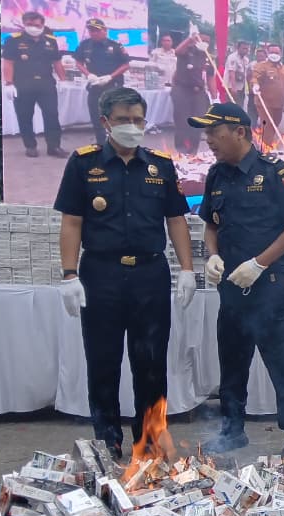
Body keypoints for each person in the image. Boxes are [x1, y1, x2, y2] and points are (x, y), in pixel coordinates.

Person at [52, 87, 194, 458]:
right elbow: (71, 223)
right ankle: (108, 440)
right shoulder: (83, 164)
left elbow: (176, 220)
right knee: (103, 360)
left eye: (137, 120)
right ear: (105, 123)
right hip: (102, 274)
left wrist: (188, 270)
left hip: (150, 274)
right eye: (122, 120)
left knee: (151, 362)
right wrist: (69, 275)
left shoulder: (160, 165)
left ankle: (149, 438)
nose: (132, 127)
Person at [192, 103, 284, 456]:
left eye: (215, 131)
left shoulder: (274, 171)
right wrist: (212, 254)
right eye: (207, 132)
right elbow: (211, 223)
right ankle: (232, 430)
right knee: (232, 361)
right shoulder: (216, 174)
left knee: (281, 363)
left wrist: (259, 264)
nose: (209, 139)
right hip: (231, 285)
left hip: (270, 283)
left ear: (240, 132)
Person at [2, 11, 67, 159]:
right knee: (25, 116)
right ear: (24, 24)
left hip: (46, 84)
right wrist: (9, 83)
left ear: (43, 25)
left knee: (52, 115)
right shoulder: (13, 40)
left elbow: (57, 62)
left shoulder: (51, 41)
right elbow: (8, 63)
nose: (33, 27)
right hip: (23, 84)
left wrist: (63, 79)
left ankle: (54, 146)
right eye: (29, 24)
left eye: (37, 25)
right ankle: (30, 146)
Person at [72, 19, 130, 146]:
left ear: (105, 30)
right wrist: (88, 74)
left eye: (97, 30)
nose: (94, 33)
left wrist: (111, 76)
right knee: (95, 115)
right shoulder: (85, 45)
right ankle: (101, 143)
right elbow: (78, 62)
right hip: (95, 84)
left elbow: (126, 65)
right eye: (91, 30)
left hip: (112, 85)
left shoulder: (115, 46)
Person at [170, 33, 214, 154]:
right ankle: (181, 149)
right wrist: (190, 39)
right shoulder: (187, 51)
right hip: (182, 89)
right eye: (201, 39)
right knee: (182, 120)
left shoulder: (209, 57)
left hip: (199, 92)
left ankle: (193, 149)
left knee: (199, 121)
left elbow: (210, 78)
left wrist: (215, 98)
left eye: (207, 41)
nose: (204, 43)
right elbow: (177, 51)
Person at [250, 44, 284, 147]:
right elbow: (255, 77)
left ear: (281, 53)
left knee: (274, 125)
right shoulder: (261, 66)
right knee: (267, 126)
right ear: (267, 53)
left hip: (279, 104)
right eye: (272, 52)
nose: (274, 55)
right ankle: (266, 150)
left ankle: (263, 144)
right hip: (265, 103)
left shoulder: (283, 68)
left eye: (276, 52)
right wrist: (255, 84)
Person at [225, 40, 251, 108]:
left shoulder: (246, 59)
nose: (245, 50)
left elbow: (245, 74)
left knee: (239, 107)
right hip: (232, 87)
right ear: (238, 48)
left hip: (241, 87)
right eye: (244, 48)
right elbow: (231, 72)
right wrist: (234, 88)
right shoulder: (232, 57)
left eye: (247, 49)